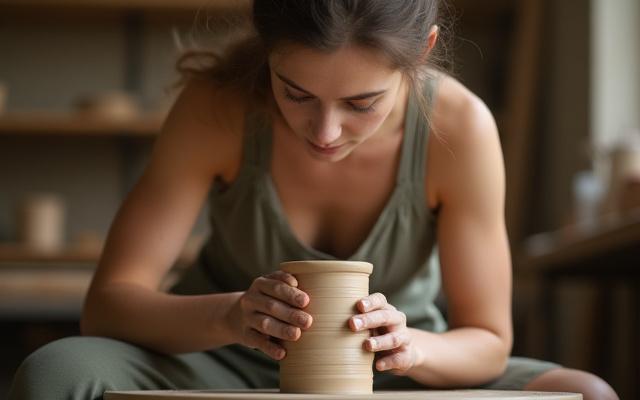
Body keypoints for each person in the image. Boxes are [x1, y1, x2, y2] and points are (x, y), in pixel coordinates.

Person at [8, 1, 618, 399]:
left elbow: (488, 338)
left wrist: (408, 348)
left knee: (590, 393)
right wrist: (230, 317)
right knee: (54, 374)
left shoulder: (459, 126)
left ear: (424, 51)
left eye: (361, 104)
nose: (324, 133)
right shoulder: (217, 108)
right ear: (268, 50)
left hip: (394, 374)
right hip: (223, 363)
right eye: (294, 92)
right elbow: (109, 305)